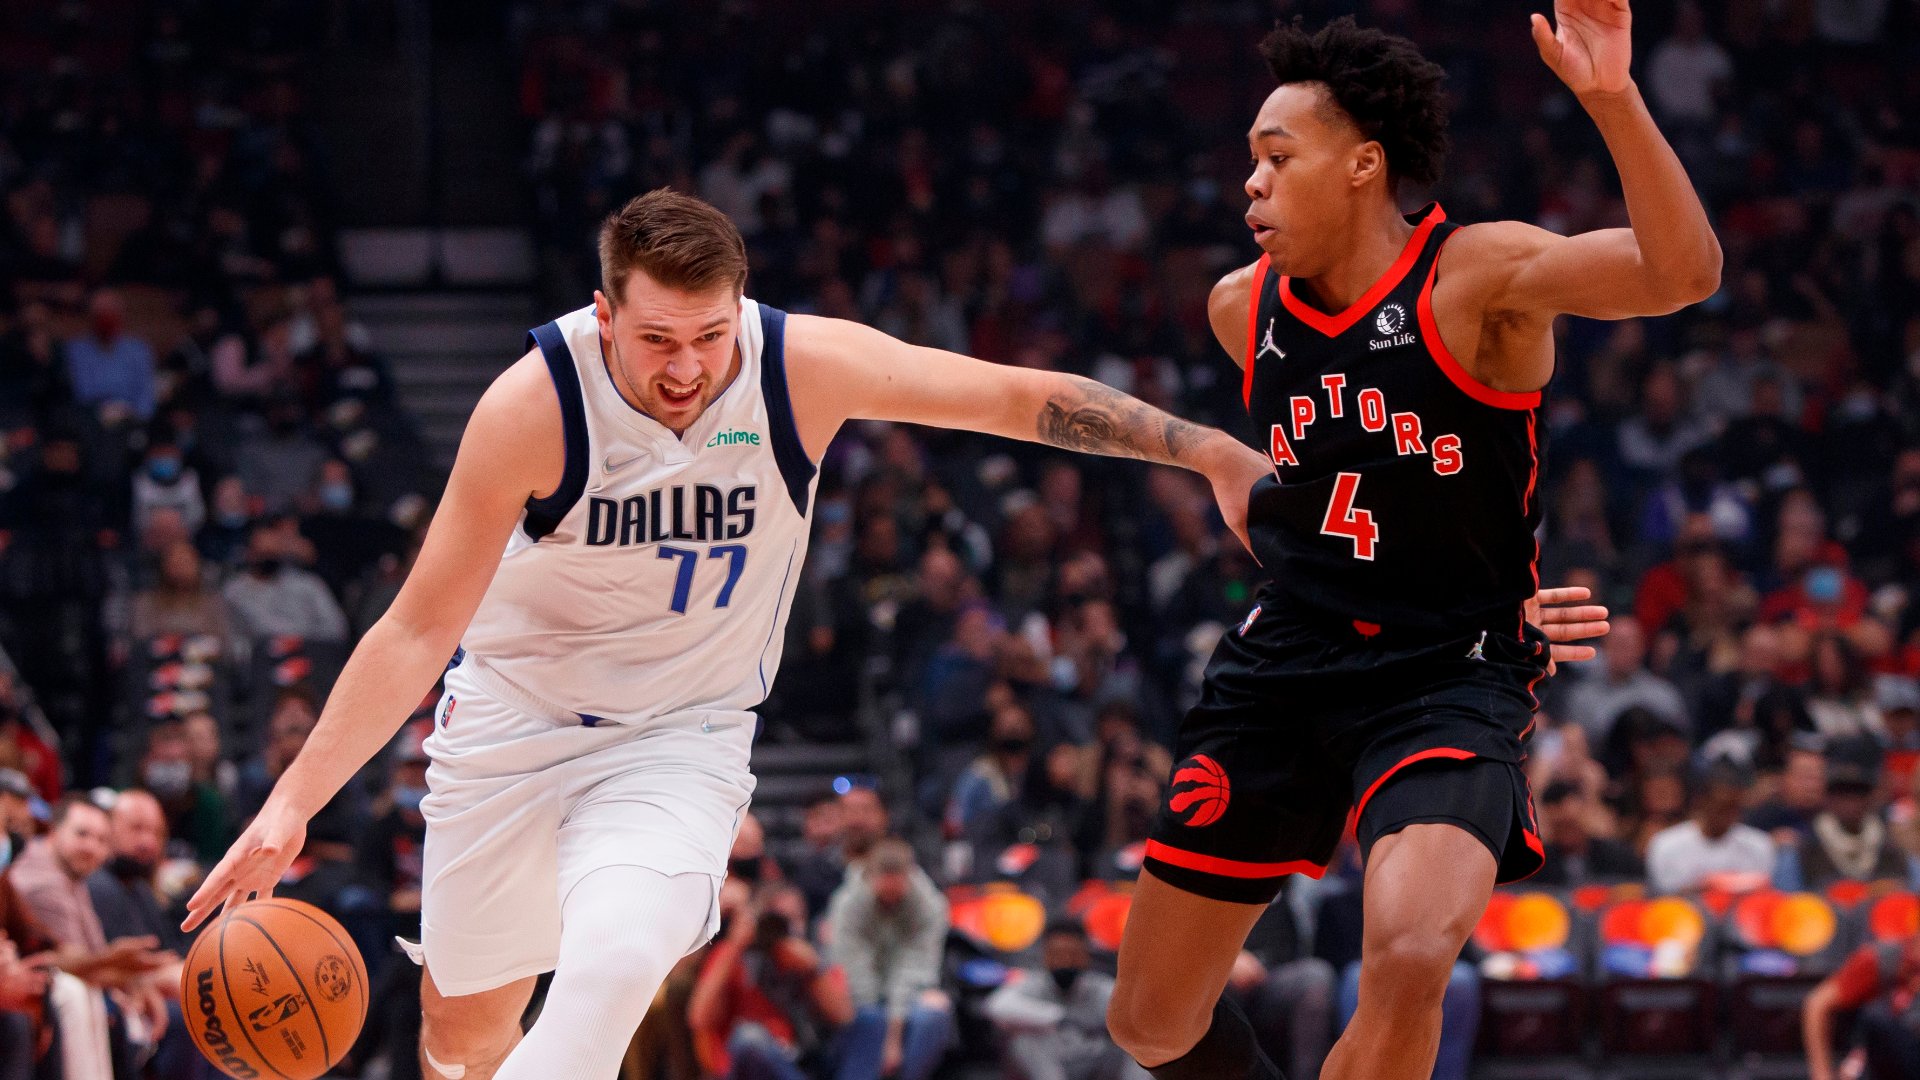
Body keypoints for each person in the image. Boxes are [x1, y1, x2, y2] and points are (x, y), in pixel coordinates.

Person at [185, 187, 1282, 1080]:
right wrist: (292, 804)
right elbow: (418, 629)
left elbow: (1009, 398)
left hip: (680, 735)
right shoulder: (533, 406)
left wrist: (1204, 450)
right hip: (510, 730)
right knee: (465, 1039)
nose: (685, 368)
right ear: (605, 315)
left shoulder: (798, 368)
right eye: (657, 339)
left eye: (709, 336)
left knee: (619, 955)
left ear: (740, 309)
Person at [1105, 7, 1716, 1080]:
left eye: (1276, 157)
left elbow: (1682, 274)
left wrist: (1613, 100)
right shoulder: (1241, 309)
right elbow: (1350, 489)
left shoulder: (1476, 277)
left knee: (1412, 953)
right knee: (1149, 1022)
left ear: (1363, 165)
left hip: (1449, 669)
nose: (1249, 184)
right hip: (1288, 661)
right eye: (1250, 160)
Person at [688, 883, 852, 1080]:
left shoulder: (811, 956)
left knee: (871, 1021)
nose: (788, 927)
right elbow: (699, 1019)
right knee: (750, 1037)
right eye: (778, 920)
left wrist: (813, 970)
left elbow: (844, 1017)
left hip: (801, 1059)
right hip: (747, 1064)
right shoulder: (733, 955)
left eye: (797, 918)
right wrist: (734, 946)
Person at [822, 839, 954, 1080]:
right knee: (869, 1019)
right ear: (871, 879)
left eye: (897, 893)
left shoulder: (930, 906)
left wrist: (893, 1036)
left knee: (932, 1014)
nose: (891, 899)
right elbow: (855, 974)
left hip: (906, 992)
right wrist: (882, 1040)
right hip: (861, 997)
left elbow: (915, 968)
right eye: (885, 893)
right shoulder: (847, 906)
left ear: (909, 877)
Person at [985, 920, 1146, 1080]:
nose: (1065, 962)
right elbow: (996, 1006)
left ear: (1085, 955)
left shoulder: (1100, 988)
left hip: (1096, 1063)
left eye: (1073, 954)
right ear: (1045, 955)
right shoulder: (1033, 984)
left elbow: (1138, 1016)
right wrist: (1061, 1018)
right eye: (1057, 954)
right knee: (1023, 1042)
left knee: (1138, 1045)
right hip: (1050, 1066)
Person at [1801, 928, 1920, 1080]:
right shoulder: (1884, 958)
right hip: (1889, 1058)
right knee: (1875, 1017)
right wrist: (1822, 1074)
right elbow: (1817, 1003)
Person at [1645, 769, 1776, 894]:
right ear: (1701, 802)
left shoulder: (1759, 845)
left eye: (1735, 808)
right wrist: (1704, 887)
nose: (1729, 815)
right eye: (1722, 807)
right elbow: (1661, 897)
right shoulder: (1666, 845)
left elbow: (1764, 895)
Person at [1530, 780, 1643, 887]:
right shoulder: (1537, 867)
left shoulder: (1618, 856)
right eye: (1559, 826)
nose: (1567, 834)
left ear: (1585, 815)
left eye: (1571, 824)